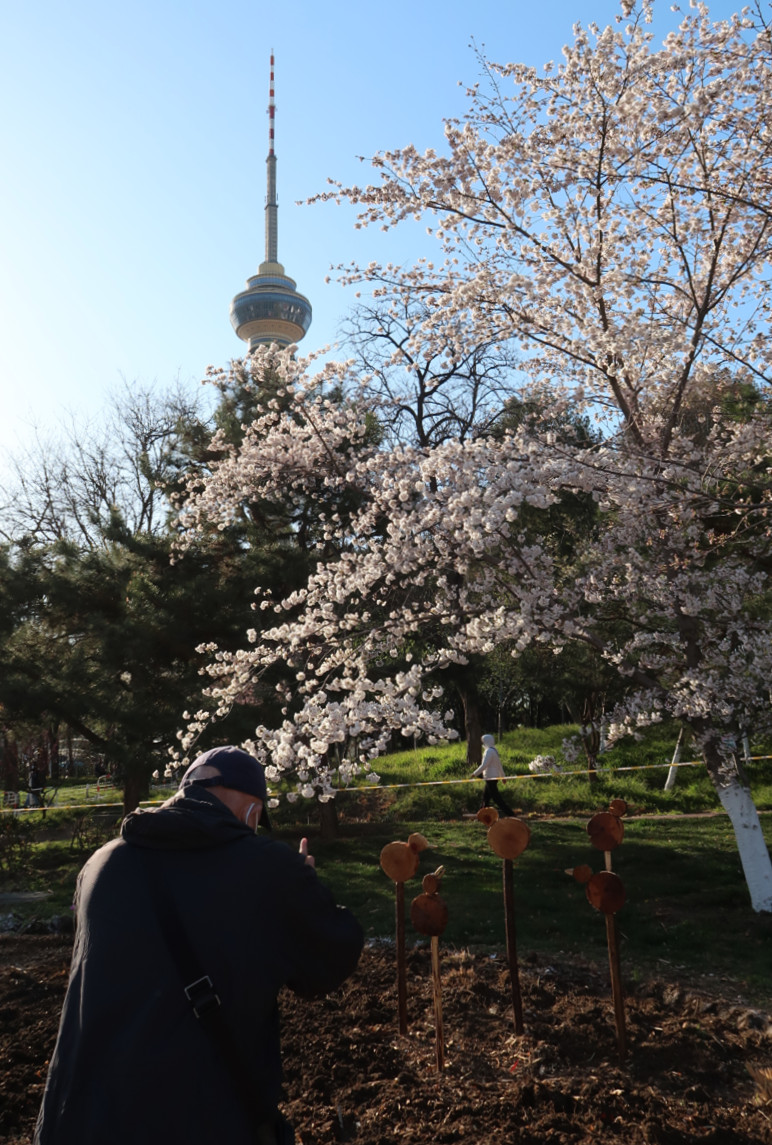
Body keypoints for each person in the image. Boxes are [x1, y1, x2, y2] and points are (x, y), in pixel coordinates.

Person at [34, 745, 363, 1145]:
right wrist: (304, 889)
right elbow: (331, 958)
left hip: (81, 1118)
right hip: (201, 1118)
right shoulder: (268, 868)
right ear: (251, 812)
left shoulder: (101, 863)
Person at [471, 734, 515, 817]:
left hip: (490, 777)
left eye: (483, 742)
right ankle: (481, 815)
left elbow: (484, 765)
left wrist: (475, 773)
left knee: (496, 798)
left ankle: (510, 814)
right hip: (492, 778)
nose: (482, 743)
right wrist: (503, 777)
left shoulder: (489, 752)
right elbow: (499, 765)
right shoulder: (494, 750)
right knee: (485, 797)